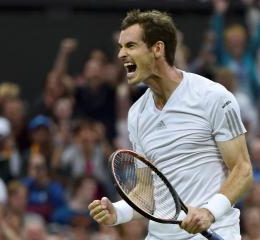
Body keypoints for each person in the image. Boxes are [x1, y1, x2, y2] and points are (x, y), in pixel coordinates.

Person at [88, 9, 253, 240]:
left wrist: (209, 212)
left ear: (157, 48)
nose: (120, 54)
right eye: (120, 47)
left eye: (130, 46)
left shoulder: (213, 97)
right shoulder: (137, 113)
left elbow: (242, 170)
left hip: (214, 231)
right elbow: (146, 191)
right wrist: (118, 212)